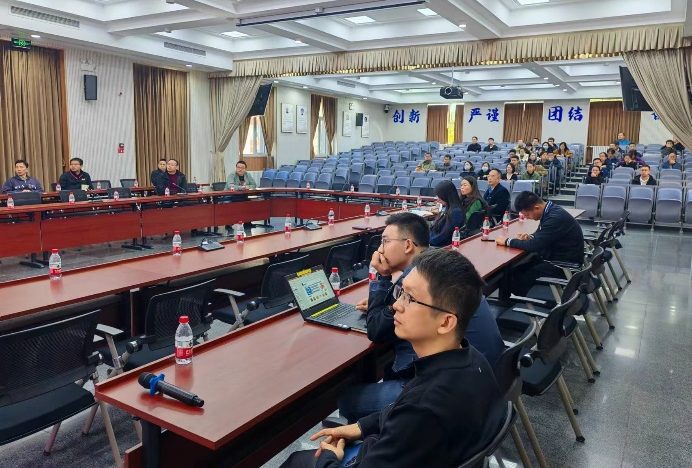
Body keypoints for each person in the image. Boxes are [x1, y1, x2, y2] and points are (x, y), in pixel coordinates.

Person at [282, 249, 507, 468]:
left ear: (446, 322)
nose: (397, 306)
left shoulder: (422, 409)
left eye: (410, 299)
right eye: (401, 293)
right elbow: (400, 408)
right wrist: (361, 427)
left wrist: (329, 458)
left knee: (297, 461)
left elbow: (410, 412)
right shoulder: (472, 359)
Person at [337, 213, 505, 425]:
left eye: (385, 241)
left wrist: (382, 277)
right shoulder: (437, 265)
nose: (380, 249)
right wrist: (381, 301)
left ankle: (380, 431)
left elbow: (376, 329)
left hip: (450, 394)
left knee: (348, 399)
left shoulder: (418, 276)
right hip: (485, 376)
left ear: (408, 245)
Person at [495, 191, 584, 296]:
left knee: (517, 278)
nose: (527, 218)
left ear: (536, 208)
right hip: (557, 258)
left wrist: (507, 241)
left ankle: (524, 301)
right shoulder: (550, 210)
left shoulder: (554, 218)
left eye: (527, 215)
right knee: (515, 271)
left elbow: (534, 245)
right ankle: (510, 299)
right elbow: (541, 233)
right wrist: (530, 237)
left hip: (563, 267)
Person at [430, 180, 465, 247]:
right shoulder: (447, 208)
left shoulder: (456, 212)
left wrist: (428, 242)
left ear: (446, 195)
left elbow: (444, 234)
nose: (438, 199)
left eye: (440, 196)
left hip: (441, 246)